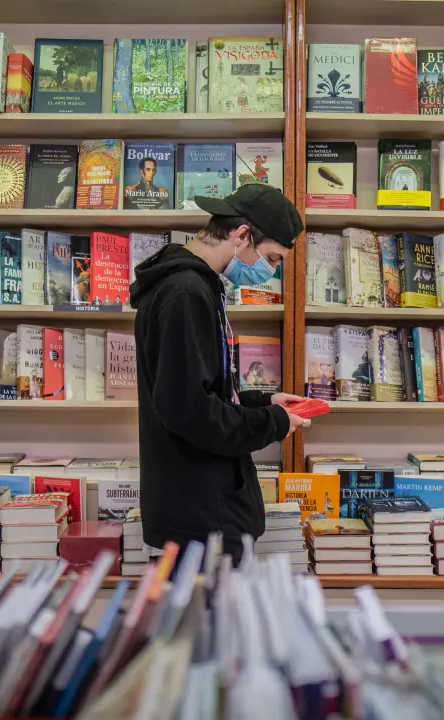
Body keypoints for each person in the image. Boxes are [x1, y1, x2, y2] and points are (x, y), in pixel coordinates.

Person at [130, 184, 308, 562]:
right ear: (242, 235)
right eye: (272, 258)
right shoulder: (185, 292)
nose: (271, 271)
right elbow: (190, 411)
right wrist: (273, 422)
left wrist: (264, 401)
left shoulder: (198, 286)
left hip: (204, 511)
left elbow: (201, 387)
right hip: (200, 520)